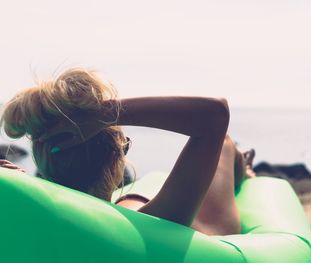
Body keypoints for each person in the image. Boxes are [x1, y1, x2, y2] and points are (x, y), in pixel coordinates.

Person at [0, 68, 255, 236]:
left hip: (128, 202)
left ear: (42, 161)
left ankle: (243, 166)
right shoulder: (152, 225)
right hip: (208, 223)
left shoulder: (29, 220)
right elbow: (215, 115)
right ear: (116, 156)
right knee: (225, 145)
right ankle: (245, 169)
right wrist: (105, 114)